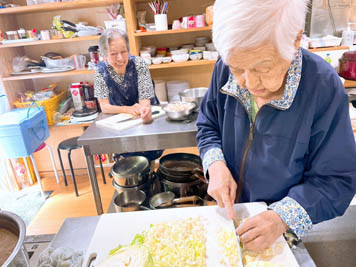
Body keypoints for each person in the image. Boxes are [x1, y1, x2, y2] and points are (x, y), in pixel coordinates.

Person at [196, 0, 356, 252]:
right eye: (237, 68)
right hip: (231, 220)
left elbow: (336, 181)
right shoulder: (223, 69)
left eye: (263, 67)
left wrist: (280, 217)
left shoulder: (322, 87)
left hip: (281, 237)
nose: (248, 82)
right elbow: (208, 124)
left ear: (295, 41)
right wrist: (215, 163)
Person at [94, 28, 163, 162]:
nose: (120, 58)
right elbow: (105, 106)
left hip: (147, 118)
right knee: (129, 161)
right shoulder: (100, 71)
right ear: (104, 56)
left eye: (124, 52)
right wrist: (128, 109)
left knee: (149, 155)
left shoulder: (139, 64)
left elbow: (145, 101)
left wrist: (144, 112)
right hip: (121, 123)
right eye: (114, 54)